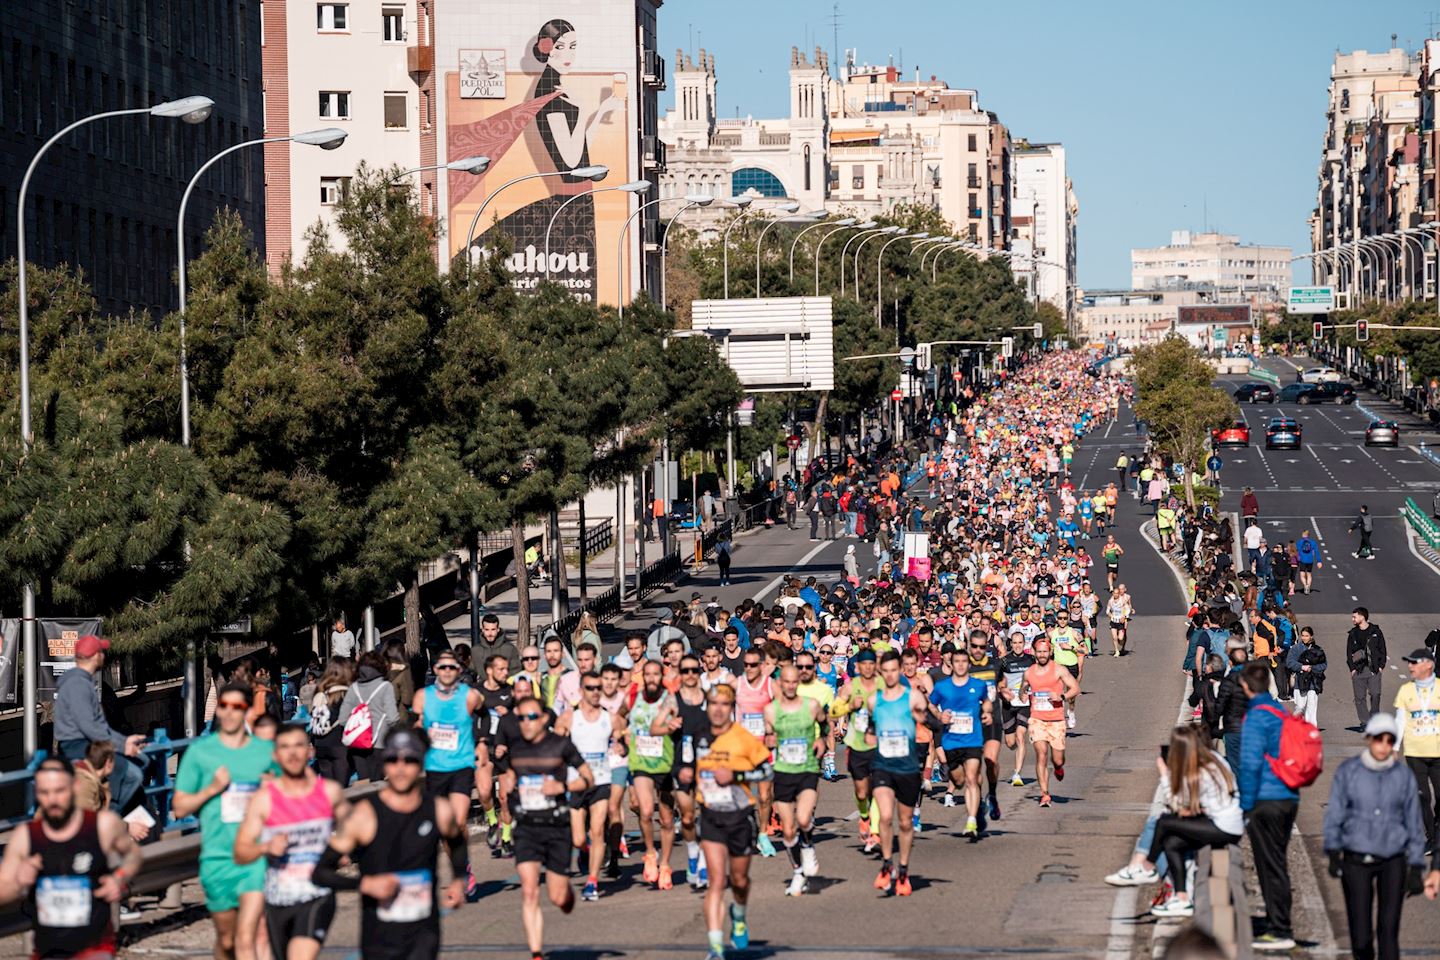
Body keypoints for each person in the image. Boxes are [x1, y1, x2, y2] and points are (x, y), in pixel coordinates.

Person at [311, 729, 467, 960]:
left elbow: (457, 842)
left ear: (422, 762)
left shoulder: (439, 809)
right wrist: (364, 884)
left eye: (410, 760)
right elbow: (320, 872)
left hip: (424, 933)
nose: (401, 768)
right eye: (393, 759)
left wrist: (458, 879)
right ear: (385, 763)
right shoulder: (364, 816)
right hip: (379, 939)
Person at [172, 682, 280, 960]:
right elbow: (179, 808)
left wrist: (273, 790)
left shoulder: (265, 752)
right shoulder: (200, 753)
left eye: (237, 707)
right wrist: (211, 789)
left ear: (246, 711)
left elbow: (289, 798)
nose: (229, 713)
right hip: (218, 858)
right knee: (228, 940)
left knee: (249, 937)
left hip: (256, 860)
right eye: (224, 706)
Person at [0, 757, 144, 960]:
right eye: (44, 793)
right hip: (48, 951)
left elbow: (133, 854)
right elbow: (3, 889)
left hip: (95, 949)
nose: (53, 800)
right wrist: (19, 882)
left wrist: (119, 878)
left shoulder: (102, 825)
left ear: (74, 786)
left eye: (59, 791)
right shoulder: (26, 836)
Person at [233, 724, 349, 960]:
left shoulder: (329, 792)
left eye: (299, 746)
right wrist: (266, 847)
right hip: (278, 900)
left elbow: (355, 828)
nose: (293, 753)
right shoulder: (264, 800)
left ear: (310, 752)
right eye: (285, 747)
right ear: (276, 755)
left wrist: (342, 848)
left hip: (317, 895)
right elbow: (241, 851)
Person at [1322, 712, 1427, 960]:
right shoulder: (1349, 772)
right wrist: (1334, 851)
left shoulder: (1402, 776)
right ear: (1369, 739)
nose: (1384, 745)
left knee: (1388, 931)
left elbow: (1413, 821)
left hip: (1393, 859)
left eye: (1390, 740)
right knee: (1360, 936)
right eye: (1379, 739)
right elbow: (1336, 813)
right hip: (1357, 858)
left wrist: (1415, 865)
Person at [686, 683, 772, 960]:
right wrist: (685, 775)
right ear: (708, 707)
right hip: (711, 816)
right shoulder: (698, 737)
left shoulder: (742, 737)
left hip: (740, 817)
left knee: (739, 880)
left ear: (732, 708)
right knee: (715, 881)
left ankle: (739, 913)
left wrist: (736, 775)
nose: (719, 710)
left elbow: (767, 771)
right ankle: (716, 947)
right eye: (714, 704)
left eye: (725, 704)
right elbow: (688, 766)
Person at [506, 695, 594, 960]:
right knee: (530, 890)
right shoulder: (515, 748)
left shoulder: (561, 745)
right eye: (521, 717)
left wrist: (562, 787)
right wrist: (509, 789)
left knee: (557, 898)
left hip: (556, 827)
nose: (526, 723)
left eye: (532, 717)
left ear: (544, 719)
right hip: (527, 828)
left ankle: (565, 891)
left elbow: (588, 778)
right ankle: (536, 953)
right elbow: (509, 776)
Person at [1145, 725, 1244, 917]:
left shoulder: (1202, 770)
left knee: (1164, 822)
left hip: (1224, 827)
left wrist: (1165, 775)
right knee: (1172, 843)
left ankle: (1146, 867)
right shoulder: (1214, 760)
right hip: (1227, 823)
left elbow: (1180, 806)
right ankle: (1182, 898)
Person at [1236, 661, 1300, 952]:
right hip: (1288, 796)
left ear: (1247, 687)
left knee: (1269, 864)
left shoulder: (1255, 717)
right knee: (1278, 861)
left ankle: (1280, 927)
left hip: (1265, 799)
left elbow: (1249, 765)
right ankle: (1280, 922)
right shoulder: (1279, 712)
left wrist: (1245, 808)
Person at [411, 648, 484, 901]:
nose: (447, 671)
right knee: (444, 827)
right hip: (435, 768)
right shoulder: (423, 696)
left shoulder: (470, 696)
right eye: (442, 667)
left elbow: (485, 715)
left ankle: (464, 870)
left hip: (462, 765)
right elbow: (417, 724)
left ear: (459, 670)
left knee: (459, 820)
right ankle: (458, 865)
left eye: (451, 667)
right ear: (435, 670)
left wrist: (483, 744)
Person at [52, 634, 145, 814]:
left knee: (141, 763)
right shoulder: (78, 684)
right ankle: (109, 820)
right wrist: (121, 746)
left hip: (87, 745)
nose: (104, 655)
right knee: (134, 774)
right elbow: (90, 727)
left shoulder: (81, 682)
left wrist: (123, 741)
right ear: (95, 656)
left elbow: (99, 726)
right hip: (80, 747)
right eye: (101, 652)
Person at [867, 650, 929, 894]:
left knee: (904, 823)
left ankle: (903, 870)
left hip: (908, 767)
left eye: (895, 670)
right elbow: (870, 729)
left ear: (899, 670)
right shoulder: (874, 700)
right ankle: (886, 865)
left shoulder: (912, 697)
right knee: (884, 817)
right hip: (883, 765)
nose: (891, 674)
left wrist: (931, 716)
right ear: (881, 672)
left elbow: (929, 720)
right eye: (887, 670)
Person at [764, 664, 826, 896]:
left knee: (803, 818)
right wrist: (769, 740)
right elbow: (768, 735)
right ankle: (798, 872)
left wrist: (821, 742)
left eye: (793, 682)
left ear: (798, 682)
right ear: (780, 683)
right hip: (783, 772)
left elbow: (825, 723)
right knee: (788, 831)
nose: (790, 686)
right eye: (786, 682)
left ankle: (808, 847)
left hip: (807, 769)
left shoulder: (810, 706)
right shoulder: (770, 710)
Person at [929, 642, 993, 838]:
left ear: (969, 663)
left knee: (972, 779)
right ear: (951, 663)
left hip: (973, 740)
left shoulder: (978, 685)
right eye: (957, 661)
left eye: (964, 661)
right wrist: (940, 717)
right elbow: (931, 704)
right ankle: (972, 804)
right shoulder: (942, 687)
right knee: (958, 780)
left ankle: (972, 820)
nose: (960, 665)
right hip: (951, 742)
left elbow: (988, 701)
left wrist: (988, 713)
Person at [627, 658, 681, 889]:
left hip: (664, 763)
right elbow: (620, 716)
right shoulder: (634, 696)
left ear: (662, 677)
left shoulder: (670, 700)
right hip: (640, 760)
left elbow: (680, 724)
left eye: (655, 674)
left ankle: (666, 864)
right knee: (646, 811)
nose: (650, 678)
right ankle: (650, 853)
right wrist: (622, 735)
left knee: (667, 819)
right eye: (647, 674)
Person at [1024, 636, 1080, 807]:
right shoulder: (1029, 672)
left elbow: (1076, 688)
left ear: (1050, 652)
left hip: (1056, 720)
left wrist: (1060, 696)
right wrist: (1023, 694)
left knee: (1057, 759)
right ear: (1034, 652)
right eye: (1039, 652)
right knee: (1041, 754)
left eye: (1045, 652)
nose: (1041, 655)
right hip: (1036, 720)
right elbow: (1022, 689)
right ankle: (1045, 793)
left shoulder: (1059, 670)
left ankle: (1058, 767)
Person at [1394, 648, 1440, 854]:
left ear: (1429, 665)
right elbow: (1400, 720)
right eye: (1409, 662)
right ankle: (1431, 838)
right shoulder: (1406, 691)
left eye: (1415, 662)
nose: (1410, 666)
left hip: (1438, 752)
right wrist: (1394, 747)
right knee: (1421, 797)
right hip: (1415, 754)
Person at [337, 650, 401, 782]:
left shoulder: (353, 687)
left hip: (357, 742)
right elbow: (392, 718)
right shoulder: (385, 687)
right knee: (377, 783)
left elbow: (342, 719)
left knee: (363, 782)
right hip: (379, 743)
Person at [308, 656, 356, 786]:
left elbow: (313, 713)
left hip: (320, 743)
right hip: (339, 743)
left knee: (328, 789)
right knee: (341, 790)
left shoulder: (320, 690)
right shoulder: (347, 692)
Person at [1347, 606, 1388, 728]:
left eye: (1354, 616)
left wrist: (1381, 666)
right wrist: (1352, 669)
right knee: (1359, 698)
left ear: (1362, 617)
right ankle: (1365, 722)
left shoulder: (1376, 631)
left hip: (1373, 669)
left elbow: (1383, 649)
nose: (1352, 619)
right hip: (1358, 670)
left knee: (1375, 694)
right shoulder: (1353, 633)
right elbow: (1349, 653)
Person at [1287, 627, 1327, 727]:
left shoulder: (1318, 649)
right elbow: (1289, 662)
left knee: (1312, 706)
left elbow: (1324, 665)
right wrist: (1302, 667)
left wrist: (1312, 668)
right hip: (1300, 681)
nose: (1304, 638)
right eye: (1303, 635)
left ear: (1311, 636)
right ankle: (1296, 726)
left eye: (1307, 636)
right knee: (1299, 707)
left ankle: (1311, 728)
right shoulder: (1296, 648)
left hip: (1314, 682)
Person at [1295, 530, 1320, 595]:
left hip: (1303, 560)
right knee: (1309, 574)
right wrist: (1319, 561)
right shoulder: (1313, 542)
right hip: (1310, 560)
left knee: (1302, 575)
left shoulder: (1300, 542)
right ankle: (1308, 586)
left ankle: (1305, 585)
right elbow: (1317, 552)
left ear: (1303, 535)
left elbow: (1296, 551)